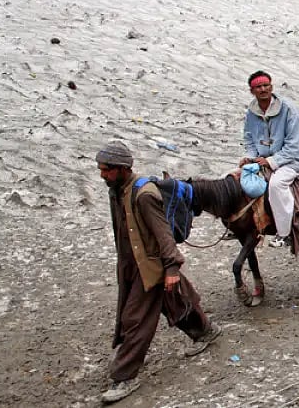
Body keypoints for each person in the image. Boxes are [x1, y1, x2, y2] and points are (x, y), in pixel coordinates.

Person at [98, 141, 220, 404]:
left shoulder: (144, 196)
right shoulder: (116, 191)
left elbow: (163, 234)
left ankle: (124, 376)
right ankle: (206, 331)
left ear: (121, 168)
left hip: (151, 267)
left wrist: (172, 267)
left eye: (106, 170)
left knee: (135, 320)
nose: (102, 175)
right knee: (175, 299)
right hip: (133, 265)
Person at [241, 71, 299, 248]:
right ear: (252, 91)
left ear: (271, 87)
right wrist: (250, 157)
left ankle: (284, 233)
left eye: (266, 85)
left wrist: (272, 161)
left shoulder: (289, 110)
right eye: (258, 87)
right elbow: (249, 137)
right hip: (262, 158)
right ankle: (242, 226)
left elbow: (295, 145)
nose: (263, 89)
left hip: (291, 160)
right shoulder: (252, 111)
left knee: (277, 184)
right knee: (235, 179)